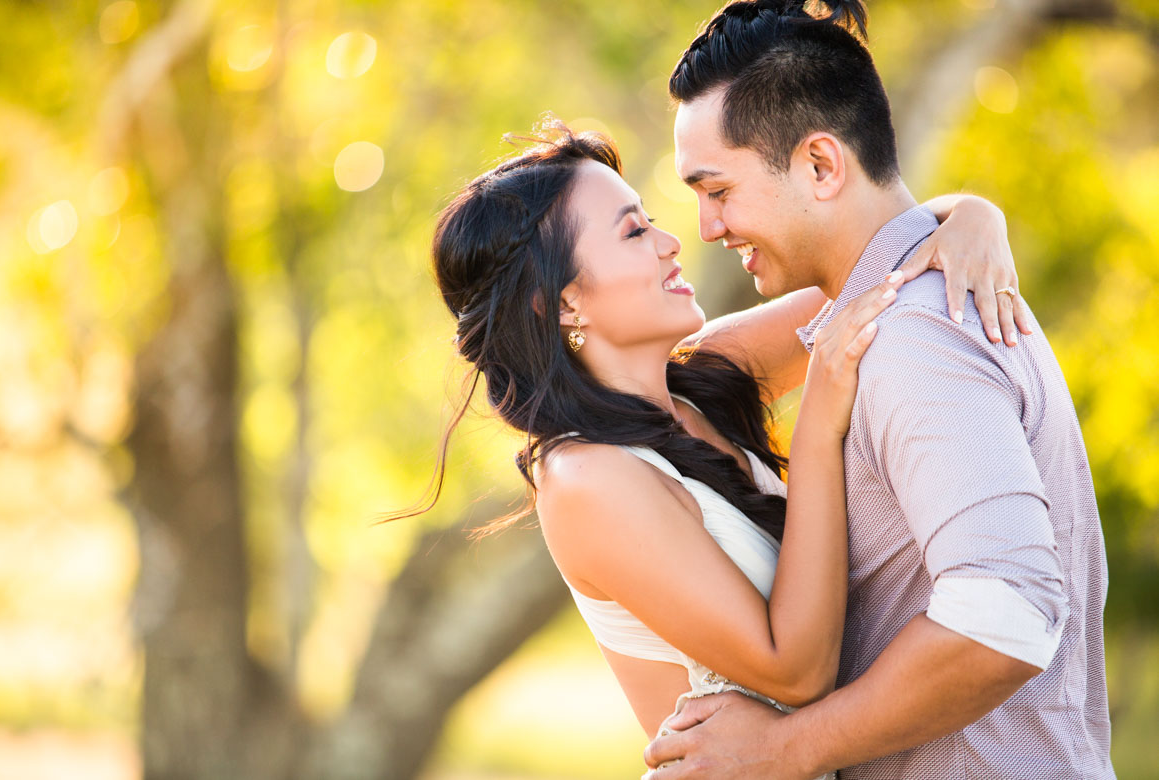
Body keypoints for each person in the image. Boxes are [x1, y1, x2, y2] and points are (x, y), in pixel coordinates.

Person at [424, 116, 1021, 775]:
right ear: (565, 305)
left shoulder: (701, 376)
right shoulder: (584, 478)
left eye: (650, 220)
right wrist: (819, 418)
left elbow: (877, 278)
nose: (673, 242)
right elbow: (794, 672)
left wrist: (971, 216)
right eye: (634, 231)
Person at [642, 1, 1112, 778]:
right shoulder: (878, 316)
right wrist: (961, 210)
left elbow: (1006, 613)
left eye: (717, 190)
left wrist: (783, 751)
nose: (706, 227)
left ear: (822, 166)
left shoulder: (917, 339)